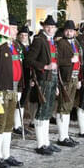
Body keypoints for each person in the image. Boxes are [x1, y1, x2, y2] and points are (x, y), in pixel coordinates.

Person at [0, 16, 24, 168]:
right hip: (3, 90)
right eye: (13, 28)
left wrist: (21, 88)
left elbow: (20, 68)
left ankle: (6, 154)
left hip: (14, 88)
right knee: (0, 124)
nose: (16, 31)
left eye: (16, 29)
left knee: (9, 124)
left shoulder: (16, 46)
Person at [25, 15, 60, 155]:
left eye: (52, 27)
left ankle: (46, 142)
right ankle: (41, 144)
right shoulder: (39, 41)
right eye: (48, 27)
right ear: (43, 27)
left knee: (47, 111)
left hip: (52, 79)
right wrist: (44, 66)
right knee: (41, 112)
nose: (50, 29)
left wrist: (57, 84)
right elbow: (28, 60)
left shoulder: (52, 42)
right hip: (43, 79)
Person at [56, 20, 81, 147]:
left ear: (74, 32)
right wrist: (70, 60)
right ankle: (61, 137)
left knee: (69, 107)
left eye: (71, 30)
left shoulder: (76, 43)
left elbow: (79, 61)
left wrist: (79, 79)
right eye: (67, 30)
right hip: (65, 78)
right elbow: (57, 61)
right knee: (63, 107)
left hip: (75, 77)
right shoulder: (60, 43)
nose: (69, 32)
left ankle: (66, 135)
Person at [13, 25, 33, 136]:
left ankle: (19, 124)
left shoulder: (29, 47)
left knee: (23, 101)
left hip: (27, 77)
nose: (23, 37)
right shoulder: (17, 46)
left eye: (25, 35)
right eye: (21, 35)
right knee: (18, 102)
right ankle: (16, 125)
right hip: (20, 77)